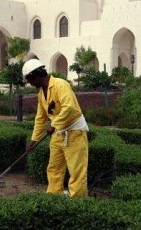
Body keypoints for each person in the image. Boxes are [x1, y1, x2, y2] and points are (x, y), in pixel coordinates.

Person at [22, 59, 89, 198]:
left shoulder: (60, 84)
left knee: (76, 171)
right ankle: (54, 197)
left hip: (74, 132)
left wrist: (54, 125)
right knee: (54, 168)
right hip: (58, 134)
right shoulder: (41, 94)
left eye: (30, 80)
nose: (30, 83)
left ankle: (78, 202)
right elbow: (40, 118)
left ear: (37, 75)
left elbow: (69, 107)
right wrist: (34, 140)